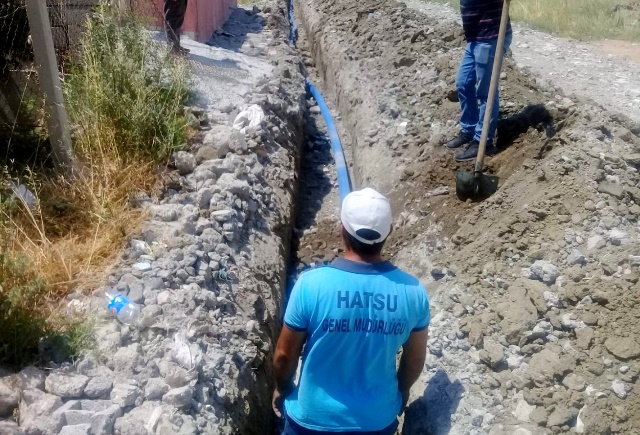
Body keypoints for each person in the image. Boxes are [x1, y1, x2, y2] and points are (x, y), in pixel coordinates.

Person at [272, 188, 430, 434]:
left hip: (312, 421)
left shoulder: (310, 284)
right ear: (388, 231)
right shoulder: (413, 292)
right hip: (377, 422)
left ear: (341, 230)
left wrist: (282, 387)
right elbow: (415, 360)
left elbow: (284, 355)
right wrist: (402, 390)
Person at [445, 0, 512, 162]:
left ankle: (483, 141)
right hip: (475, 38)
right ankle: (469, 130)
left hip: (490, 37)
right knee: (463, 82)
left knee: (486, 92)